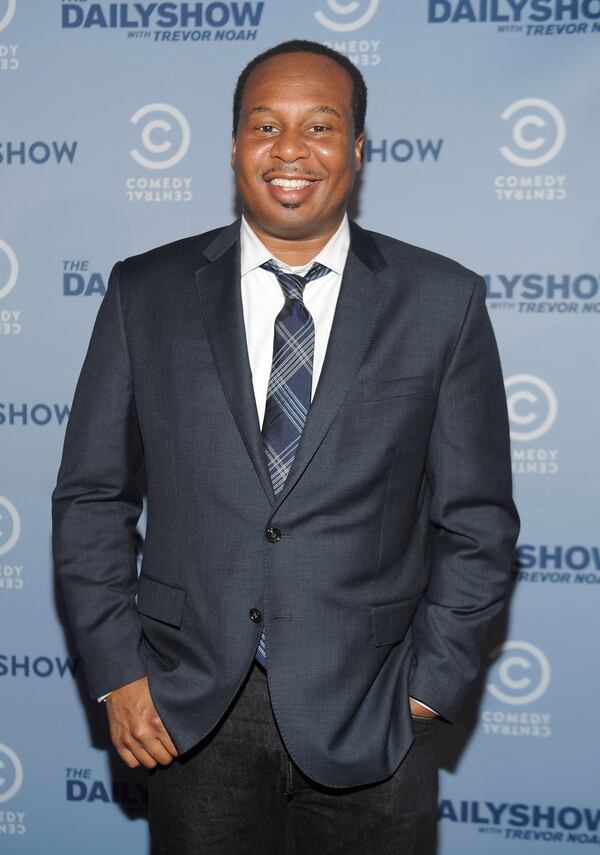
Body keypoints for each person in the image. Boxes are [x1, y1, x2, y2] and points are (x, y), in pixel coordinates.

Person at [52, 39, 519, 855]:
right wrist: (121, 673)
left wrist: (427, 688)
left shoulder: (442, 301)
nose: (290, 150)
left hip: (374, 716)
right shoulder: (144, 293)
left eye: (320, 126)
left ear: (358, 149)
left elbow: (478, 525)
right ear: (234, 144)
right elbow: (93, 498)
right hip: (190, 715)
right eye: (265, 125)